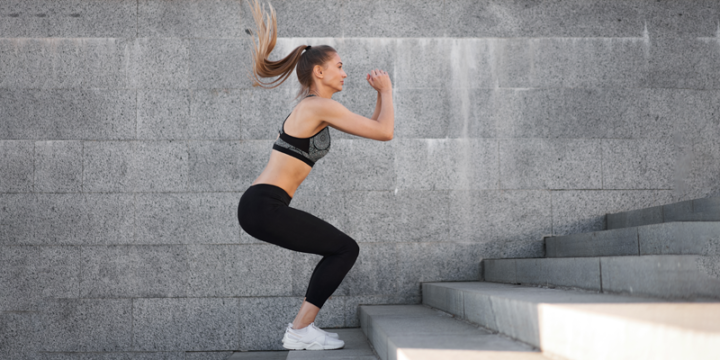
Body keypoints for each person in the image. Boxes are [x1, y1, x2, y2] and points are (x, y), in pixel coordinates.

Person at [236, 0, 394, 351]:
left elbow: (373, 126)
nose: (345, 73)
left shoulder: (316, 106)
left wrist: (381, 97)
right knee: (344, 249)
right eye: (339, 66)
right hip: (264, 206)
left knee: (340, 249)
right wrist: (386, 90)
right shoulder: (319, 106)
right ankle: (299, 330)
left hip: (263, 205)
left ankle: (303, 329)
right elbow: (385, 132)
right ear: (319, 72)